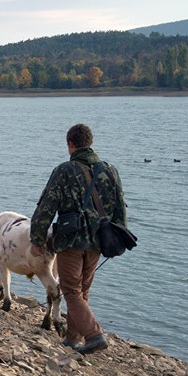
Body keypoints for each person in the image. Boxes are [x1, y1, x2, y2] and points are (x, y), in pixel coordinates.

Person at [30, 124, 127, 355]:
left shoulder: (64, 170)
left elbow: (46, 206)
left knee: (71, 290)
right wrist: (117, 238)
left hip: (71, 240)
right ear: (90, 143)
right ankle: (72, 339)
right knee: (81, 290)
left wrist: (37, 238)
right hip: (97, 241)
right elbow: (120, 209)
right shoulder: (110, 171)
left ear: (70, 145)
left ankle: (94, 335)